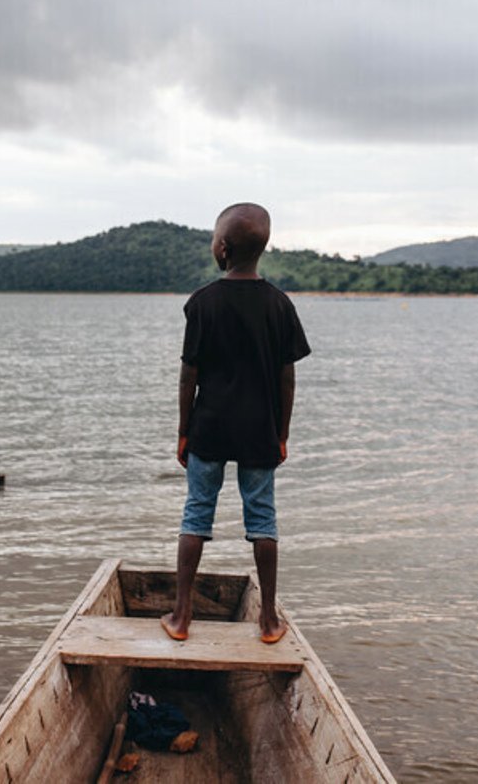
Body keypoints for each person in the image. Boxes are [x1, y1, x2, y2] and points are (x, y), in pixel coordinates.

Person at [160, 203, 311, 644]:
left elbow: (190, 374)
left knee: (196, 515)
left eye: (213, 238)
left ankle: (182, 617)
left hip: (209, 427)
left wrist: (183, 431)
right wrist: (282, 434)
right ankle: (267, 621)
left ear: (222, 248)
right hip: (259, 430)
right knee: (263, 520)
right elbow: (288, 379)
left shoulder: (202, 303)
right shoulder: (280, 305)